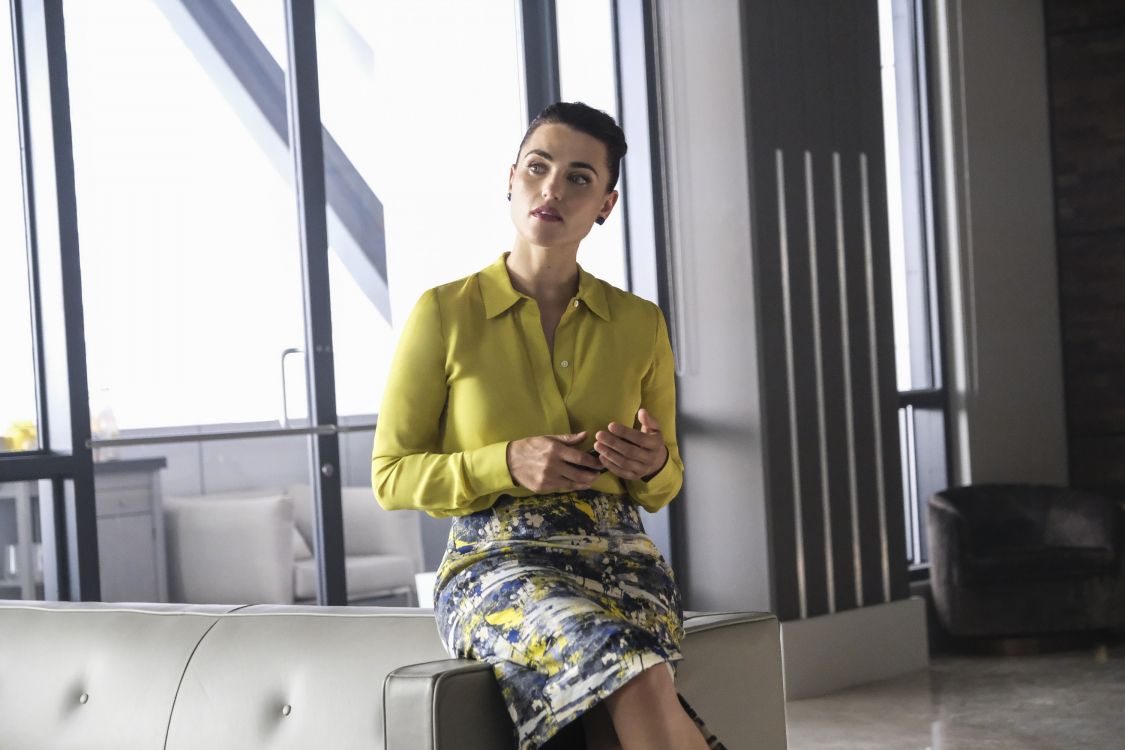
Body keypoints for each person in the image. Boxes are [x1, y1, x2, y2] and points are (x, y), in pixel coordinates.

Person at [372, 102, 725, 750]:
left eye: (578, 177)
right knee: (636, 677)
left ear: (606, 204)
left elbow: (664, 479)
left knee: (627, 680)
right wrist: (504, 463)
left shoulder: (639, 322)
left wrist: (646, 462)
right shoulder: (444, 312)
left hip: (622, 555)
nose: (552, 189)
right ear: (511, 179)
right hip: (494, 562)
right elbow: (390, 475)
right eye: (538, 168)